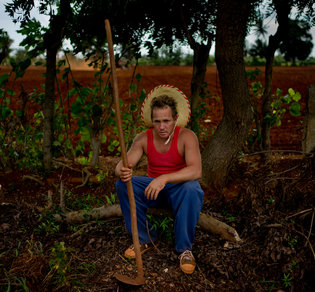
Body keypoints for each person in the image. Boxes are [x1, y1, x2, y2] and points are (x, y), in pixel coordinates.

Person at [115, 84, 204, 274]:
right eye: (157, 121)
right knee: (123, 183)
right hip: (153, 189)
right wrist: (122, 170)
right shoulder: (142, 138)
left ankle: (184, 249)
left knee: (192, 188)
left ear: (175, 119)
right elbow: (123, 164)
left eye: (166, 121)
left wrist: (164, 178)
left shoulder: (187, 136)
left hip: (178, 189)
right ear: (152, 121)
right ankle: (144, 239)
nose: (162, 127)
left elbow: (196, 171)